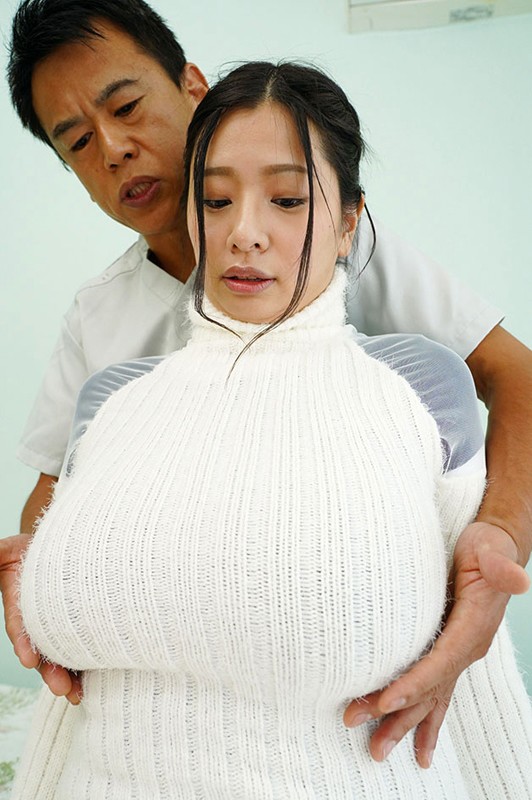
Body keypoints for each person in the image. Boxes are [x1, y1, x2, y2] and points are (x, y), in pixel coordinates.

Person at [2, 0, 531, 770]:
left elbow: (514, 377)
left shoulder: (353, 258)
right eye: (77, 141)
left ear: (189, 86)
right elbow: (54, 499)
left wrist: (501, 533)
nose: (113, 149)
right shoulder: (102, 328)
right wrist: (40, 576)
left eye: (126, 106)